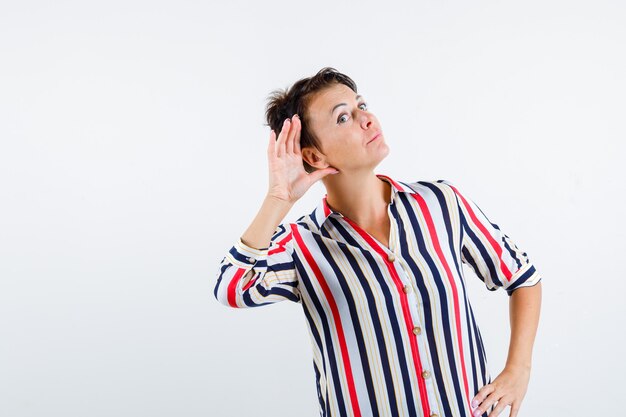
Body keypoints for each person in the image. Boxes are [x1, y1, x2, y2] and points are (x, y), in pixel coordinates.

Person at [213, 67, 542, 417]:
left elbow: (522, 277)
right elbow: (232, 289)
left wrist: (518, 370)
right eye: (343, 118)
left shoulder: (442, 204)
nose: (366, 119)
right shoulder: (302, 245)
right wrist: (279, 198)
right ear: (313, 156)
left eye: (361, 105)